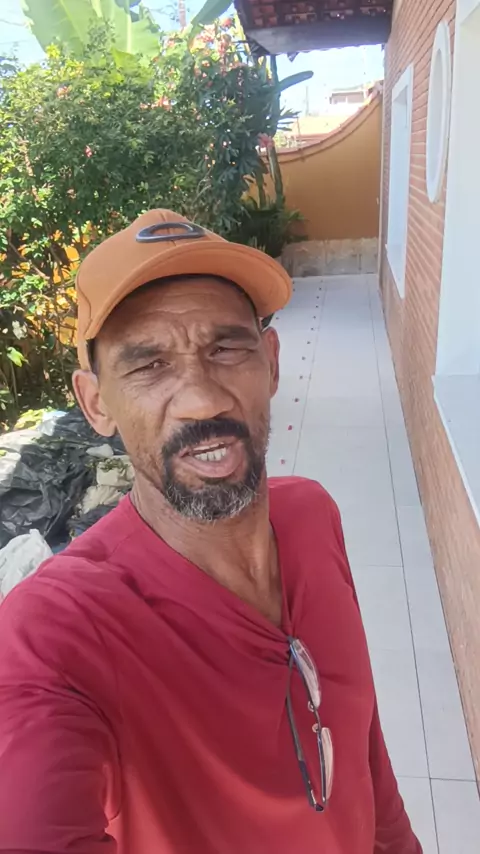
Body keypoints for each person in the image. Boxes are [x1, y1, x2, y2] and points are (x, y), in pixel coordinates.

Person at [0, 210, 422, 854]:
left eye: (227, 348)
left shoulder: (311, 517)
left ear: (271, 363)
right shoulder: (55, 631)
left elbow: (359, 733)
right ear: (96, 403)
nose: (203, 399)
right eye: (148, 365)